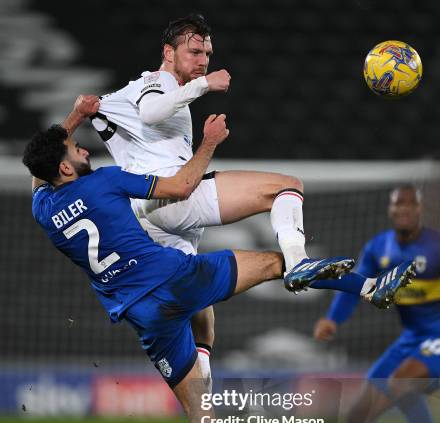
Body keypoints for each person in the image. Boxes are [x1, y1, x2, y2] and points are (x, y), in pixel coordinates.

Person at [23, 100, 414, 423]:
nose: (83, 149)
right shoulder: (105, 183)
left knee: (201, 415)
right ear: (66, 169)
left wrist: (72, 119)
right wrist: (207, 144)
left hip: (140, 313)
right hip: (174, 278)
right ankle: (370, 288)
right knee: (277, 263)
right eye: (75, 148)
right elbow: (179, 187)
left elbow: (37, 170)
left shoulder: (42, 209)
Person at [83, 13, 378, 389]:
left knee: (199, 315)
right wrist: (206, 83)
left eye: (206, 53)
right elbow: (150, 110)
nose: (203, 59)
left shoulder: (131, 96)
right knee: (286, 187)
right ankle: (300, 261)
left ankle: (201, 422)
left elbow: (111, 116)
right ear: (167, 53)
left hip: (153, 215)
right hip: (173, 195)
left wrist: (84, 113)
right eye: (193, 51)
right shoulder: (157, 83)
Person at [314, 185, 440, 423]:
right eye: (398, 205)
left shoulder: (436, 246)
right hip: (411, 338)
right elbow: (359, 286)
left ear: (420, 210)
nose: (404, 210)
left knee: (403, 383)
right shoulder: (379, 247)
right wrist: (332, 320)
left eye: (410, 205)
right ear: (390, 209)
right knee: (358, 417)